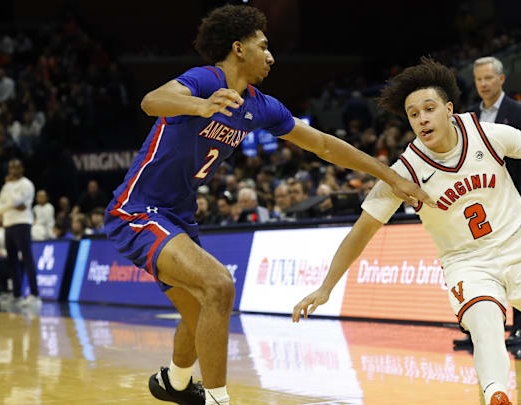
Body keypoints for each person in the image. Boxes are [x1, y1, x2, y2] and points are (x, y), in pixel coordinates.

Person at [103, 6, 432, 405]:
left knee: (199, 311)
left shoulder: (262, 106)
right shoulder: (208, 80)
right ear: (238, 49)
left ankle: (173, 383)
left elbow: (325, 145)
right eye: (264, 46)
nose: (271, 56)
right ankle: (219, 399)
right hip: (138, 209)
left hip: (179, 217)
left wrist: (391, 176)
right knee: (219, 285)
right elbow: (153, 101)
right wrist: (200, 105)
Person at [292, 58, 521, 405]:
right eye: (413, 114)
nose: (422, 118)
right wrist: (326, 287)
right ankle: (496, 395)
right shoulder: (404, 172)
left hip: (520, 247)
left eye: (429, 109)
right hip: (467, 263)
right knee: (485, 324)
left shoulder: (487, 134)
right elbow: (361, 231)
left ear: (448, 109)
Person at [467, 56, 521, 350]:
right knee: (480, 269)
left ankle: (520, 329)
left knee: (517, 266)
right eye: (478, 79)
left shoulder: (519, 112)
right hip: (479, 205)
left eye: (488, 78)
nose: (483, 84)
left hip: (510, 204)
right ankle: (481, 333)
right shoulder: (469, 117)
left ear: (501, 79)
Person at [0, 159, 39, 307]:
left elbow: (21, 205)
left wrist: (9, 200)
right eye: (10, 168)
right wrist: (9, 206)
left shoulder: (26, 184)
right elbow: (1, 206)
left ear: (22, 169)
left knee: (27, 258)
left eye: (16, 167)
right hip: (8, 225)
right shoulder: (6, 186)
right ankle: (16, 295)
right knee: (12, 261)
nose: (13, 171)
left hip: (22, 224)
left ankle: (35, 295)